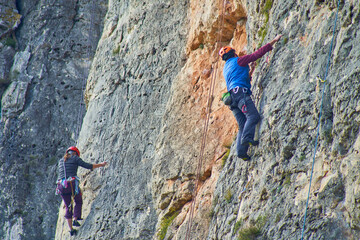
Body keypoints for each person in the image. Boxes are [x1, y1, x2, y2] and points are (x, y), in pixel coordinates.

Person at [219, 35, 282, 160]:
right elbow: (256, 55)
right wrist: (273, 41)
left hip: (232, 100)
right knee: (253, 116)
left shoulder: (226, 68)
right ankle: (247, 138)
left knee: (242, 125)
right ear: (234, 53)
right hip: (240, 94)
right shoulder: (238, 61)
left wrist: (250, 72)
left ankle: (241, 152)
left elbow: (239, 78)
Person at [56, 146, 107, 236]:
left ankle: (71, 230)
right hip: (71, 184)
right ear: (75, 153)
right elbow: (88, 166)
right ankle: (75, 219)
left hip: (61, 185)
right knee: (78, 200)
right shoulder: (75, 158)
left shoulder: (61, 161)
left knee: (68, 206)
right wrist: (101, 165)